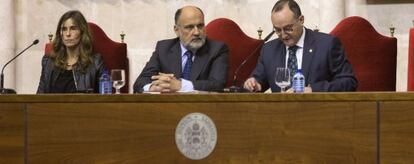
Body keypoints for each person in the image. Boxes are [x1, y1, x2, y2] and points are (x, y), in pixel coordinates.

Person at [244, 0, 357, 92]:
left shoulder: (327, 45)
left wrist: (312, 90)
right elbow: (259, 80)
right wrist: (254, 84)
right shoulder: (269, 50)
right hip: (280, 115)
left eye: (288, 28)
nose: (283, 35)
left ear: (301, 20)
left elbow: (348, 81)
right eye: (278, 30)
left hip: (318, 113)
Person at [133, 6, 229, 93]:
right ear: (176, 30)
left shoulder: (217, 49)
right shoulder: (163, 48)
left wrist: (181, 86)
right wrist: (152, 87)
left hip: (201, 108)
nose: (196, 32)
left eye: (200, 26)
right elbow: (140, 82)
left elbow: (218, 84)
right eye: (189, 27)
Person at [37, 10, 105, 93]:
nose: (68, 34)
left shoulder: (95, 62)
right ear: (60, 33)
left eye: (73, 28)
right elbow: (39, 97)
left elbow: (104, 98)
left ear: (82, 32)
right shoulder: (48, 62)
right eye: (64, 29)